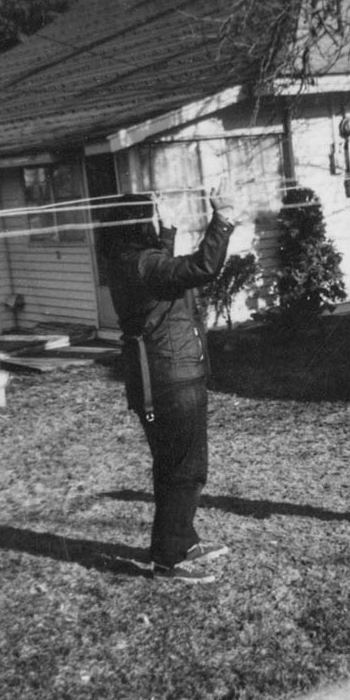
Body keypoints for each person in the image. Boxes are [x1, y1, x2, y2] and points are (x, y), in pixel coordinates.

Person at [103, 185, 236, 583]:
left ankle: (181, 542)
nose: (160, 216)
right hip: (169, 378)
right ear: (140, 223)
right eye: (154, 212)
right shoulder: (143, 264)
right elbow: (200, 268)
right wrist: (223, 220)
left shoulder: (130, 258)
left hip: (166, 374)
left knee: (175, 466)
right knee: (186, 469)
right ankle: (170, 559)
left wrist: (167, 225)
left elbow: (163, 262)